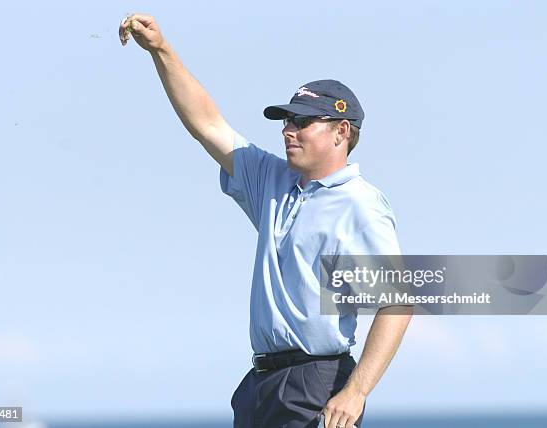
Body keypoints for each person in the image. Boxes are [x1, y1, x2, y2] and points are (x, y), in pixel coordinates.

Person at [119, 13, 413, 428]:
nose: (288, 130)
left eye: (302, 122)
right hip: (260, 385)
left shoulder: (361, 204)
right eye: (286, 121)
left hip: (317, 384)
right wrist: (161, 50)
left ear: (340, 131)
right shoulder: (273, 180)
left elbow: (397, 302)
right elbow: (207, 124)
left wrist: (356, 392)